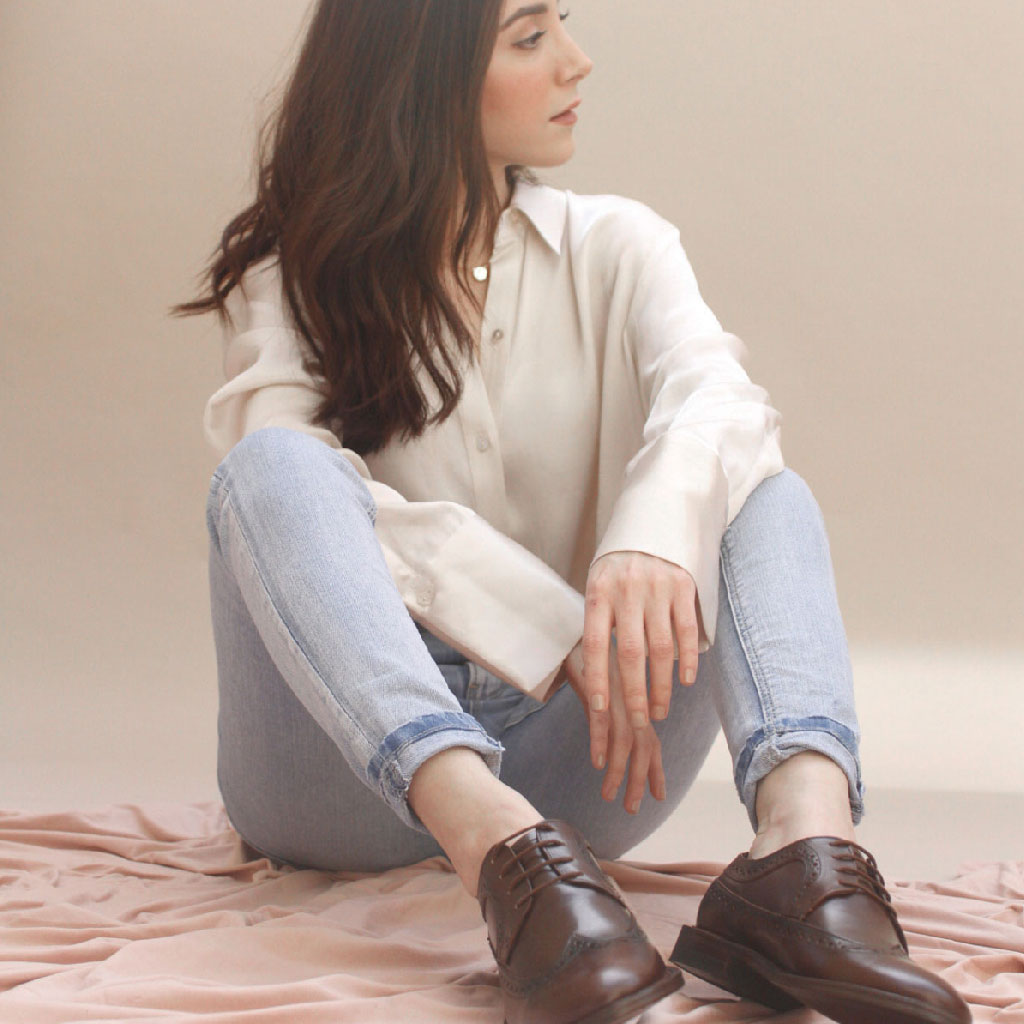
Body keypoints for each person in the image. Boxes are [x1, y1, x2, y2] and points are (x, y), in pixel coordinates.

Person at [171, 3, 971, 1023]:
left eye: (564, 23)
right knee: (273, 467)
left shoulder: (620, 244)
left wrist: (649, 542)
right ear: (421, 68)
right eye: (529, 36)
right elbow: (275, 503)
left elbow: (721, 403)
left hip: (586, 754)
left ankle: (803, 863)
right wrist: (550, 620)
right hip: (332, 780)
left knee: (754, 481)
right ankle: (495, 847)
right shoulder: (293, 275)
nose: (577, 61)